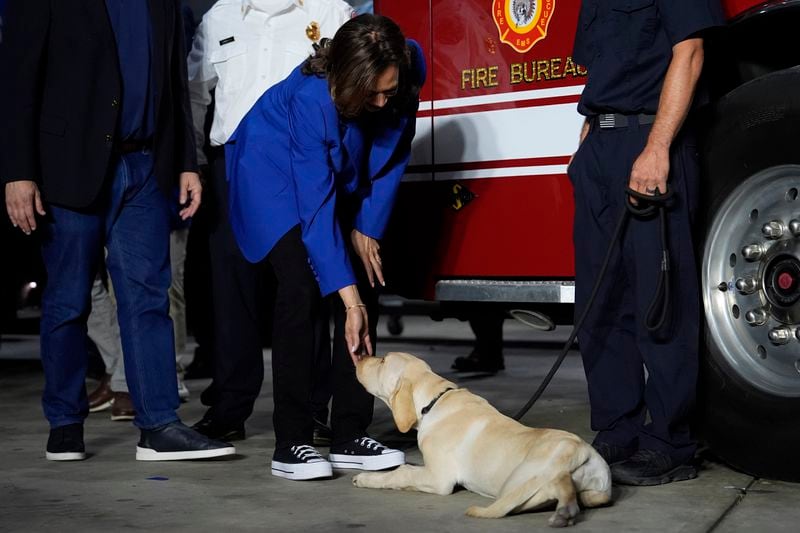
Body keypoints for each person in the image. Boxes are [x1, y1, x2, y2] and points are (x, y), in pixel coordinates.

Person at [0, 0, 235, 461]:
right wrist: (18, 173)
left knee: (149, 300)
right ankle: (65, 422)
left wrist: (187, 163)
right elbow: (16, 81)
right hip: (68, 169)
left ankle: (159, 425)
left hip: (145, 168)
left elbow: (173, 83)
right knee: (68, 302)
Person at [227, 13, 426, 480]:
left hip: (340, 163)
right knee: (301, 286)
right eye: (371, 93)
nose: (382, 101)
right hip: (271, 172)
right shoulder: (310, 98)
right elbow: (315, 211)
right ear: (344, 78)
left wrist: (367, 228)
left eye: (389, 91)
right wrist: (347, 298)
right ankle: (291, 440)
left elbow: (395, 153)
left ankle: (349, 434)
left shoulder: (406, 64)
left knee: (367, 273)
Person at [569, 0, 724, 485]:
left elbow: (691, 52)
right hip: (600, 150)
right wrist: (586, 148)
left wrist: (657, 148)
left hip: (651, 139)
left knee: (660, 301)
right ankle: (618, 426)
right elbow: (601, 72)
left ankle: (671, 442)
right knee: (600, 301)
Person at [186, 0, 354, 444]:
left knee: (305, 286)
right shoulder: (218, 17)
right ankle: (230, 405)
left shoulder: (331, 12)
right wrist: (197, 165)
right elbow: (195, 94)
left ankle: (312, 407)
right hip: (233, 162)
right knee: (231, 287)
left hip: (302, 164)